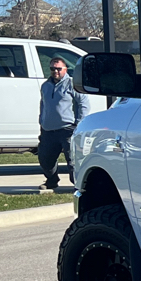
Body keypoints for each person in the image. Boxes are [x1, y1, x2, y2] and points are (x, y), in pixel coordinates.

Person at [38, 57, 87, 192]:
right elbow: (43, 104)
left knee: (72, 160)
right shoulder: (45, 86)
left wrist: (79, 124)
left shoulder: (72, 84)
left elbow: (83, 104)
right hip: (48, 130)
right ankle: (51, 181)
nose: (55, 71)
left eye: (59, 69)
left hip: (67, 129)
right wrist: (41, 121)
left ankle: (77, 185)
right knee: (45, 158)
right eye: (53, 69)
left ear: (65, 69)